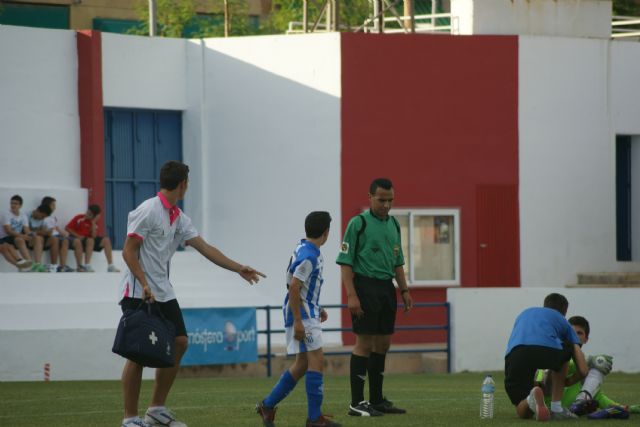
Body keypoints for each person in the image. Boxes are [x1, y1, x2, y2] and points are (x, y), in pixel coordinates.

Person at [118, 160, 266, 427]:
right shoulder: (148, 210)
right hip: (137, 292)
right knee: (137, 353)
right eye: (188, 182)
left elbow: (205, 248)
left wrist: (238, 268)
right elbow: (128, 251)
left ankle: (156, 410)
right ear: (183, 184)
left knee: (180, 341)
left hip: (163, 291)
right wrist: (144, 282)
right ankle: (130, 419)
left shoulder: (179, 217)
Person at [335, 178, 412, 417]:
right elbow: (345, 263)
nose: (386, 205)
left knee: (383, 344)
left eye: (390, 200)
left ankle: (377, 400)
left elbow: (398, 261)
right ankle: (356, 403)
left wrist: (405, 290)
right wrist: (351, 295)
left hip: (386, 289)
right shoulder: (358, 224)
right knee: (364, 343)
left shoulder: (394, 225)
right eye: (381, 200)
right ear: (370, 197)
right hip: (364, 287)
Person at [256, 211, 340, 427]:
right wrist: (299, 320)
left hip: (305, 310)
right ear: (326, 232)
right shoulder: (310, 256)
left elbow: (299, 286)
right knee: (317, 360)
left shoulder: (305, 247)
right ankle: (314, 419)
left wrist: (316, 306)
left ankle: (267, 406)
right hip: (302, 314)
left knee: (302, 364)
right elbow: (294, 286)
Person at [504, 293, 589, 421]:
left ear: (545, 305)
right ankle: (556, 408)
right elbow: (583, 370)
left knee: (522, 410)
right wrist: (567, 382)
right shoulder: (563, 321)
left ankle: (530, 399)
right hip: (547, 352)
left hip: (515, 354)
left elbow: (528, 352)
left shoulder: (524, 314)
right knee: (566, 349)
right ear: (564, 311)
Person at [535, 315, 639, 419]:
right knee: (599, 362)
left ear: (586, 339)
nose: (574, 336)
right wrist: (588, 362)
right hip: (547, 404)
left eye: (579, 333)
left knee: (596, 367)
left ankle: (582, 403)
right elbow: (542, 382)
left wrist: (628, 408)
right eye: (571, 332)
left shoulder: (585, 372)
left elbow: (598, 396)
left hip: (570, 408)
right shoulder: (555, 353)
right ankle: (579, 402)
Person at [65, 204, 119, 272]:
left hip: (89, 241)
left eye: (90, 214)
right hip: (79, 239)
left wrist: (93, 222)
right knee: (90, 240)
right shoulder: (79, 218)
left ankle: (110, 266)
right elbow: (67, 228)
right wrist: (77, 236)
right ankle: (87, 265)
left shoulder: (94, 222)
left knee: (106, 240)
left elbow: (94, 236)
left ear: (94, 216)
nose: (87, 215)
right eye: (87, 212)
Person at [0, 195, 38, 271]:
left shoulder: (23, 215)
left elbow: (26, 230)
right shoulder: (6, 214)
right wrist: (23, 236)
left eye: (15, 203)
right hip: (4, 237)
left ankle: (29, 264)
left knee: (23, 239)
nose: (13, 205)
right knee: (17, 240)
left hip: (15, 237)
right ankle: (24, 264)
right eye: (12, 203)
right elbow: (8, 231)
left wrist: (31, 235)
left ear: (20, 205)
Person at [41, 196, 76, 272]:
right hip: (50, 236)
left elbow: (57, 229)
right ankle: (57, 265)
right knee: (63, 240)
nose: (55, 207)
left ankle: (63, 266)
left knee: (71, 240)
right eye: (53, 205)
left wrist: (65, 234)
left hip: (58, 235)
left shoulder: (53, 217)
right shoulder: (42, 216)